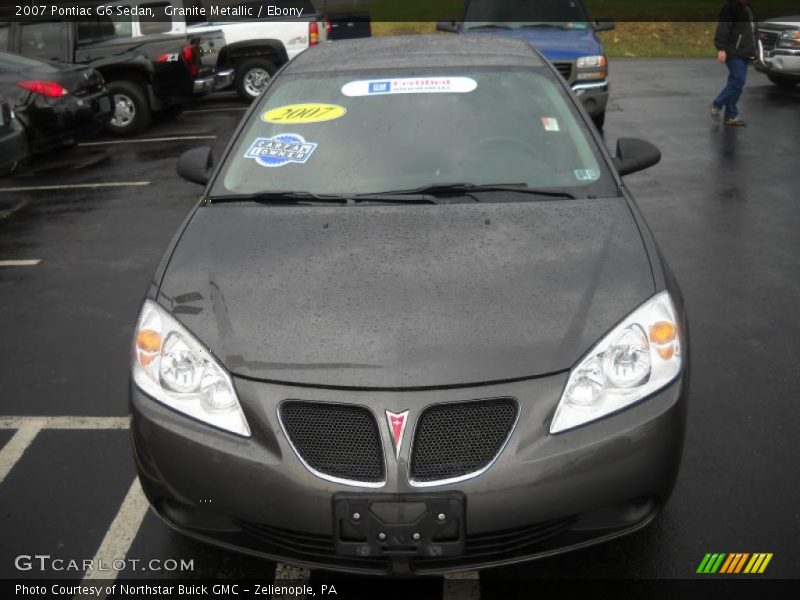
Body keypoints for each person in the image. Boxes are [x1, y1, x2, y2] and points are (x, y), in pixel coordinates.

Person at [710, 0, 758, 126]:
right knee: (738, 80)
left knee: (737, 83)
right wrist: (721, 48)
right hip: (733, 51)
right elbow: (723, 28)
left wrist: (755, 50)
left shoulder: (749, 8)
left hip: (745, 51)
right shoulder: (730, 7)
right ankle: (717, 104)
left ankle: (730, 115)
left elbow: (752, 30)